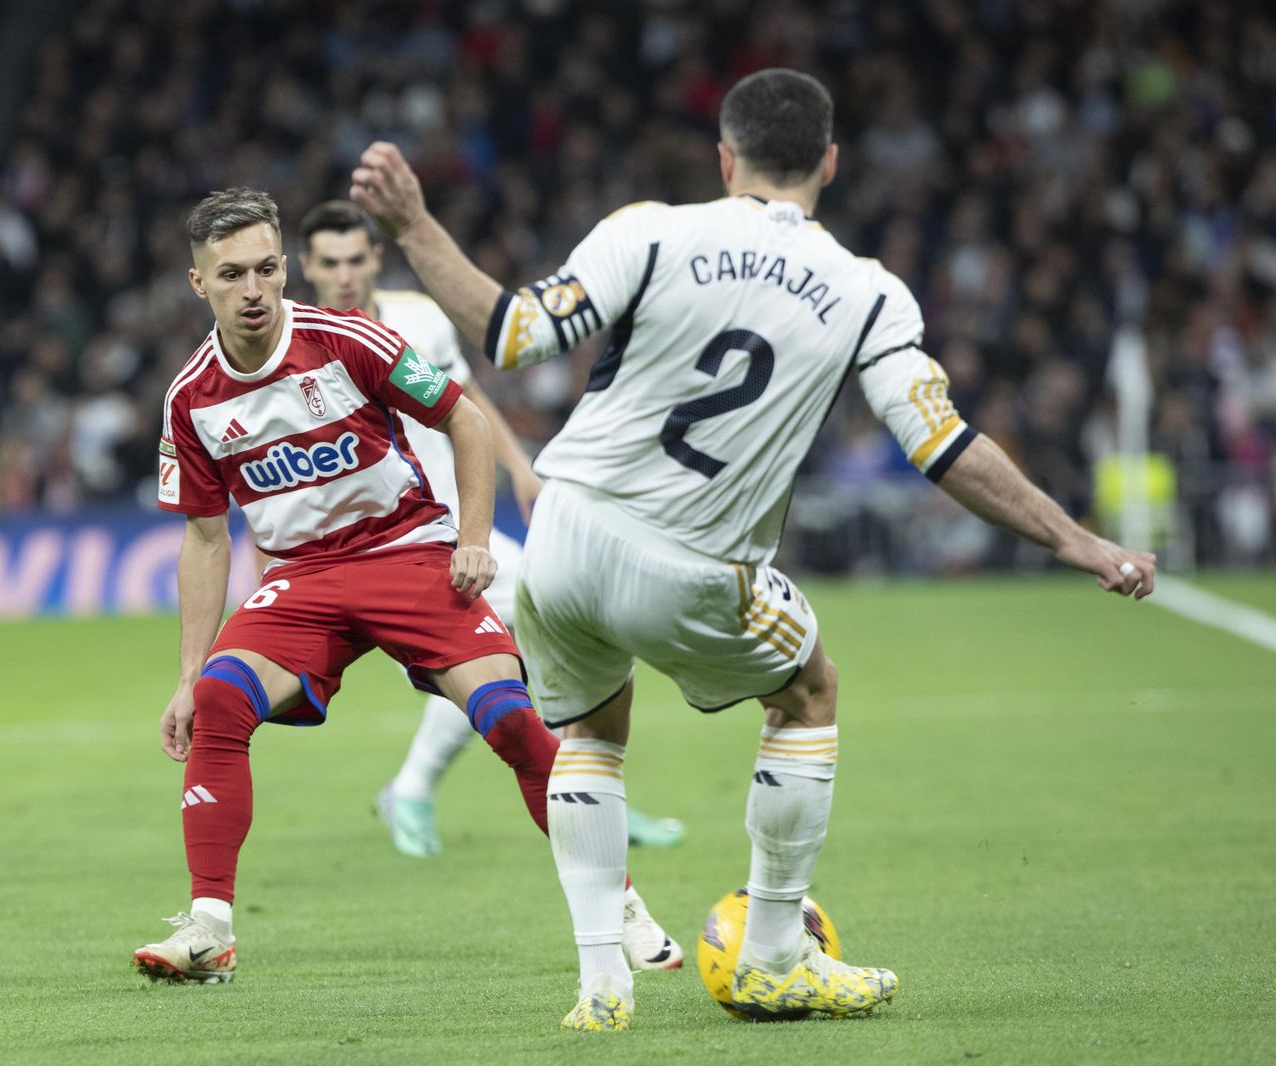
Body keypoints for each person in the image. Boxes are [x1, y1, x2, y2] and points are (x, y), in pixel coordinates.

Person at [349, 68, 1156, 1031]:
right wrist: (1073, 537)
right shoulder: (867, 292)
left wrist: (415, 228)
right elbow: (941, 446)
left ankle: (602, 989)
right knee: (808, 689)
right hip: (692, 561)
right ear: (831, 162)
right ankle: (775, 952)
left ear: (724, 158)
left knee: (593, 736)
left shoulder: (647, 229)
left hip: (564, 528)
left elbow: (512, 332)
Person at [131, 188, 679, 985]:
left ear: (285, 270)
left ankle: (623, 909)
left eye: (264, 270)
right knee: (217, 700)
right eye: (231, 275)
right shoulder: (191, 400)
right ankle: (210, 929)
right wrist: (185, 674)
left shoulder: (350, 342)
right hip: (304, 580)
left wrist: (475, 540)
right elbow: (206, 536)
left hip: (406, 554)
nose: (252, 290)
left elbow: (466, 418)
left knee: (513, 723)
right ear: (198, 283)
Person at [297, 200, 689, 865]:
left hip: (462, 531)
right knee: (544, 636)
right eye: (328, 262)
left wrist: (520, 470)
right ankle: (581, 796)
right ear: (305, 267)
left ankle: (458, 791)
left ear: (376, 259)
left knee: (525, 649)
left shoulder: (418, 320)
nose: (343, 274)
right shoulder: (295, 351)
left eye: (355, 259)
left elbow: (466, 400)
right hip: (387, 550)